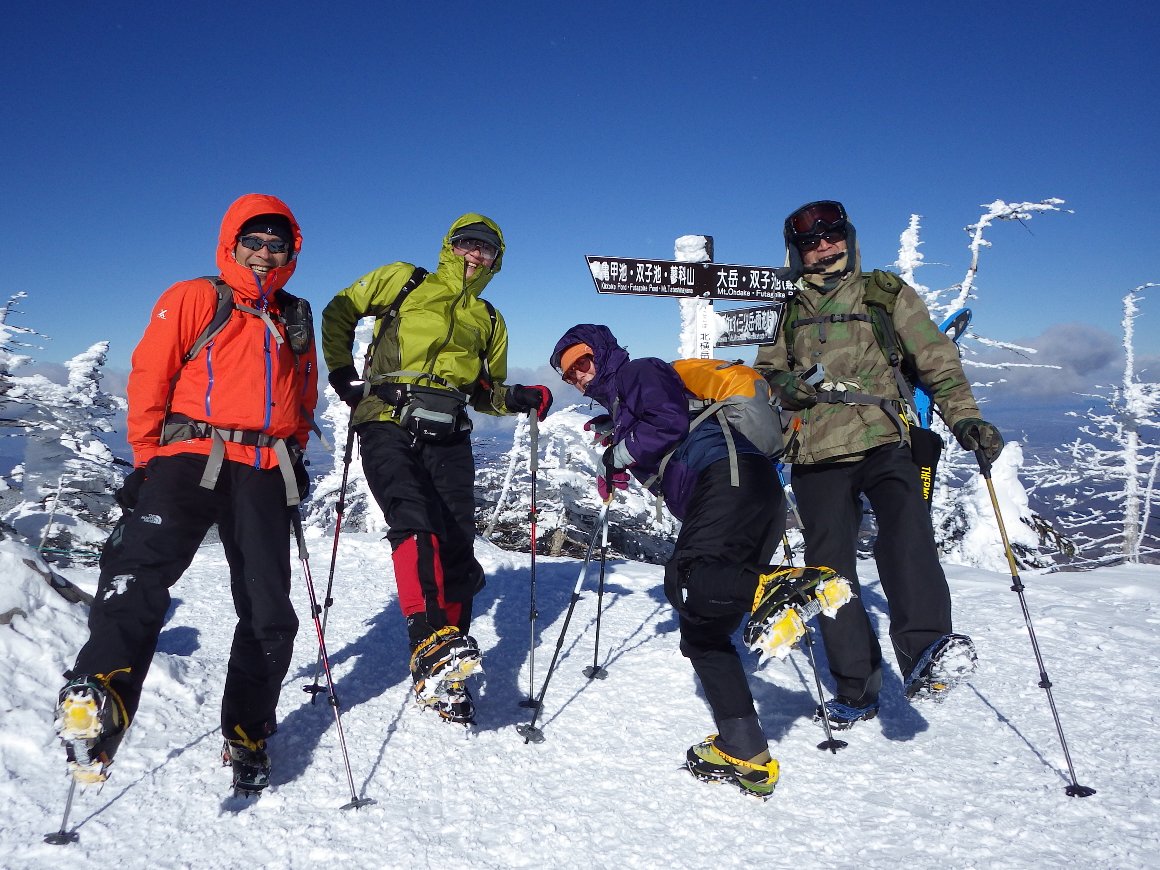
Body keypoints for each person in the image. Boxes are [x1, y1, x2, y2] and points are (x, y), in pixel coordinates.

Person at [54, 193, 318, 794]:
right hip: (189, 455)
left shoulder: (293, 315)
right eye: (254, 241)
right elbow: (152, 373)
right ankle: (99, 698)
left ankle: (247, 732)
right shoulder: (197, 296)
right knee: (138, 573)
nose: (265, 252)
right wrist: (146, 457)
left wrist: (295, 452)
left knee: (269, 610)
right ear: (232, 243)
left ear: (291, 252)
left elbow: (303, 393)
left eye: (277, 244)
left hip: (263, 466)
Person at [550, 325, 852, 800]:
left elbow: (668, 421)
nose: (579, 377)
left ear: (603, 353)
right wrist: (623, 457)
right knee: (702, 630)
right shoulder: (625, 400)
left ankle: (781, 585)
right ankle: (745, 751)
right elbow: (661, 435)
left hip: (726, 476)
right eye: (569, 375)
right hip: (748, 490)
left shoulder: (639, 371)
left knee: (686, 577)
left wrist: (620, 453)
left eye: (582, 362)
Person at [753, 199, 1004, 730]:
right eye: (810, 242)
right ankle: (855, 688)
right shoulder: (786, 309)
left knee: (907, 533)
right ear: (797, 252)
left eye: (832, 235)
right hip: (815, 452)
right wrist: (785, 386)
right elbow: (767, 373)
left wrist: (966, 419)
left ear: (848, 237)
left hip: (884, 439)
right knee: (830, 575)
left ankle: (927, 652)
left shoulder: (884, 294)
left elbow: (936, 359)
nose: (823, 246)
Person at [321, 214, 551, 726]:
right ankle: (430, 641)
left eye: (486, 250)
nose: (475, 254)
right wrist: (341, 372)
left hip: (450, 430)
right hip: (386, 417)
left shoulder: (489, 319)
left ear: (496, 261)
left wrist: (516, 397)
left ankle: (447, 673)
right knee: (413, 517)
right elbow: (340, 309)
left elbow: (484, 392)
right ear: (451, 246)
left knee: (456, 547)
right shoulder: (405, 280)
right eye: (468, 244)